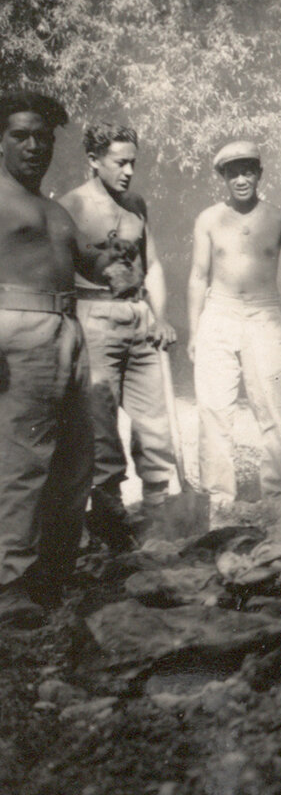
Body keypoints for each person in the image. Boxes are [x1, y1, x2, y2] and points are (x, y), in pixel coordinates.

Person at [0, 90, 93, 627]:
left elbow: (86, 266)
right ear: (1, 141)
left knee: (73, 461)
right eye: (21, 135)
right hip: (17, 329)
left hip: (68, 332)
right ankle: (10, 584)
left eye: (44, 137)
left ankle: (52, 577)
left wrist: (113, 265)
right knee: (22, 462)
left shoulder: (56, 209)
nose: (34, 146)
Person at [59, 123, 175, 546]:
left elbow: (153, 264)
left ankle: (161, 519)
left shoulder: (136, 205)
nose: (128, 171)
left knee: (155, 424)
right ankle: (110, 524)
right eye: (119, 162)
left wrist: (160, 317)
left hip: (139, 317)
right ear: (94, 160)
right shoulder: (70, 206)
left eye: (133, 163)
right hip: (94, 317)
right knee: (100, 426)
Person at [187, 140, 281, 508]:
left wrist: (279, 307)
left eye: (247, 171)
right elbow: (198, 276)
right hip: (219, 313)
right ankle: (219, 497)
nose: (241, 180)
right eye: (233, 173)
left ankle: (278, 494)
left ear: (259, 173)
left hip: (263, 316)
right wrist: (195, 331)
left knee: (273, 407)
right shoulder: (209, 219)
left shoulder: (278, 219)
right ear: (223, 177)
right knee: (214, 409)